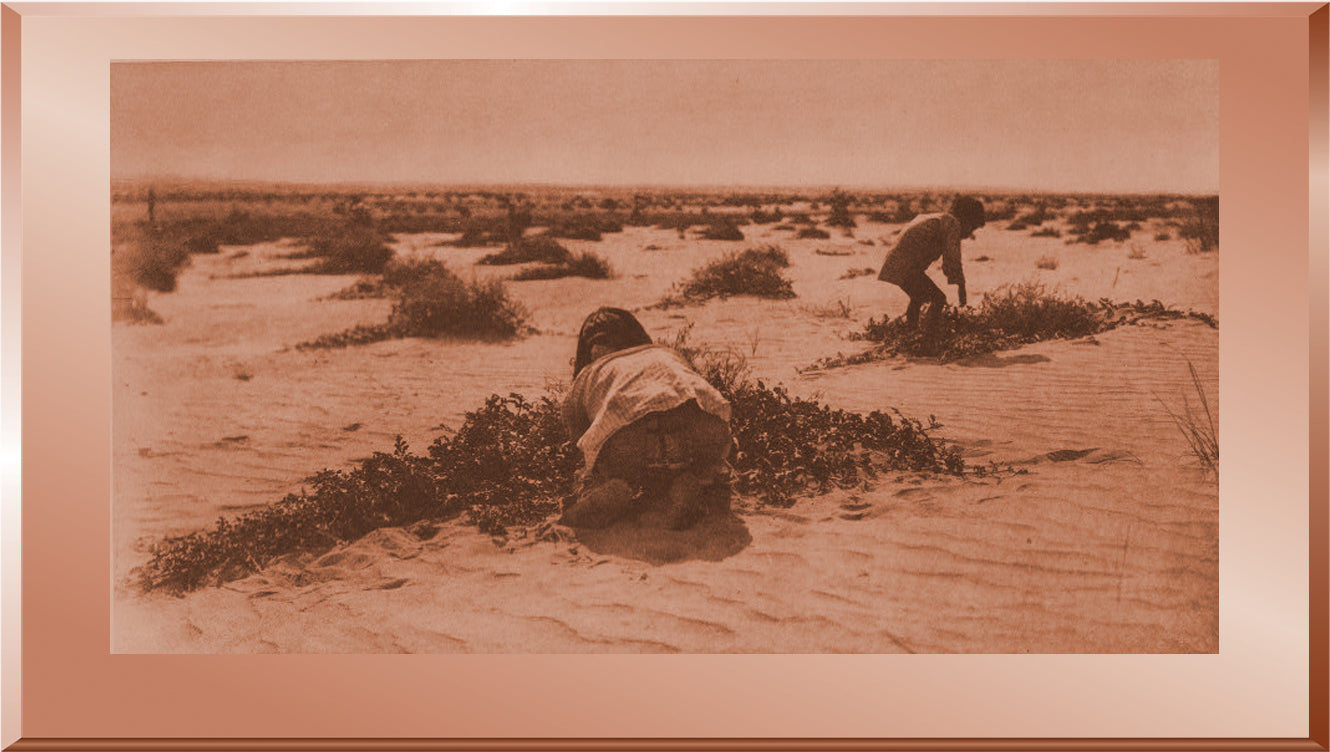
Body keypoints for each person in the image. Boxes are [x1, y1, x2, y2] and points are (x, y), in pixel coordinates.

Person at [559, 308, 733, 531]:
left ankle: (613, 487)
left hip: (630, 441)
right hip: (698, 430)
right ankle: (691, 479)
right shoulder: (665, 354)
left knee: (599, 469)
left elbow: (574, 429)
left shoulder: (590, 372)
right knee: (701, 462)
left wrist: (587, 468)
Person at [877, 196, 986, 335]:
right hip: (906, 266)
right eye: (972, 228)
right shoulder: (952, 224)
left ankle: (911, 331)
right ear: (966, 219)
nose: (970, 233)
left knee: (918, 297)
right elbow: (952, 259)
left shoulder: (939, 218)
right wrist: (961, 286)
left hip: (895, 263)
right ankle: (930, 337)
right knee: (938, 299)